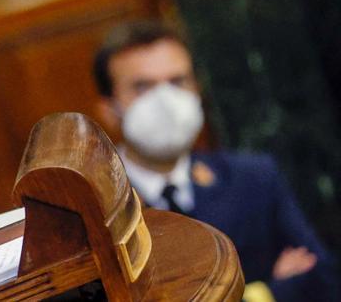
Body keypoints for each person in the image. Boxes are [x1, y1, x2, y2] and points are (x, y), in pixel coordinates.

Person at [94, 19, 338, 301]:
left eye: (177, 81)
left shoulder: (254, 178)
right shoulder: (98, 214)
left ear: (197, 89)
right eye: (142, 87)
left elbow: (321, 280)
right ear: (109, 109)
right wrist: (264, 292)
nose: (165, 100)